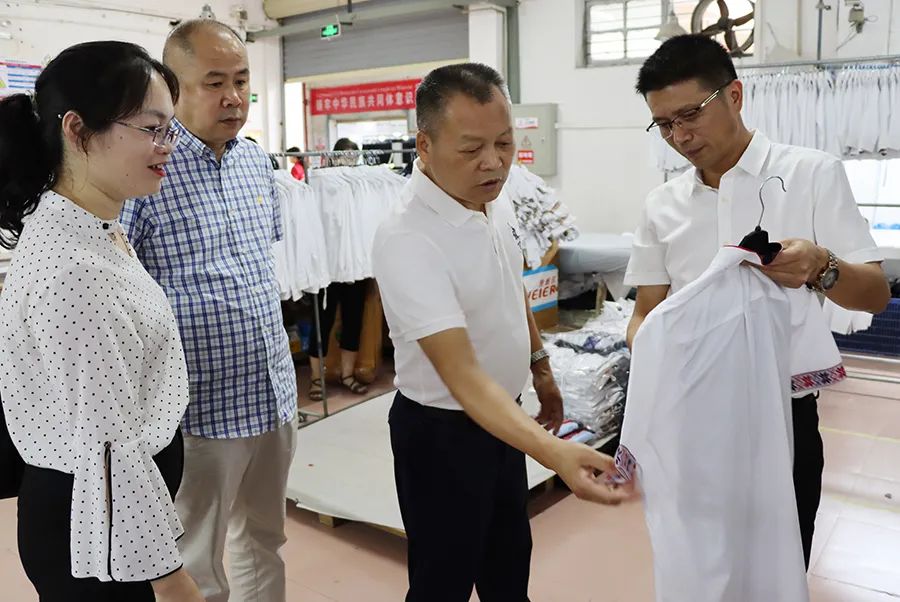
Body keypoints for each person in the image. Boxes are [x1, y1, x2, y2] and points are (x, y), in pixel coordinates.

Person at [625, 35, 890, 569]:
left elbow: (876, 295)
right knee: (701, 563)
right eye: (665, 125)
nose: (680, 136)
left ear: (735, 95)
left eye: (690, 115)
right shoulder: (662, 205)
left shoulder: (811, 173)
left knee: (780, 566)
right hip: (694, 415)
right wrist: (653, 356)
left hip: (784, 413)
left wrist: (821, 266)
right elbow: (646, 313)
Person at [372, 62, 632, 602]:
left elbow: (510, 284)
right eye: (472, 148)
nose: (493, 161)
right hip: (442, 432)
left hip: (504, 419)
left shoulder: (494, 196)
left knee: (508, 569)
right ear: (424, 145)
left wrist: (541, 368)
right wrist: (555, 453)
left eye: (505, 143)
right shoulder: (408, 237)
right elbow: (462, 375)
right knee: (442, 582)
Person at [0, 41, 204, 602]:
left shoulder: (93, 226)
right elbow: (108, 447)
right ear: (77, 129)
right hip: (96, 527)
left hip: (105, 513)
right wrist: (171, 579)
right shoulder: (75, 270)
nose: (168, 146)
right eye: (152, 129)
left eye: (170, 129)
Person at [121, 20, 298, 602]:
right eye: (214, 83)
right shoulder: (146, 170)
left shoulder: (256, 163)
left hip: (272, 392)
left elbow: (258, 268)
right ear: (173, 89)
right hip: (198, 409)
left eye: (242, 81)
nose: (233, 97)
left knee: (265, 539)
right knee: (195, 558)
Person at [307, 137, 369, 400]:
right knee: (322, 322)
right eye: (345, 157)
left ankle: (347, 374)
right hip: (327, 268)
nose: (349, 163)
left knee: (353, 320)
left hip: (355, 267)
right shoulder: (319, 185)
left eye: (353, 158)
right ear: (334, 158)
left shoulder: (363, 185)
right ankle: (315, 378)